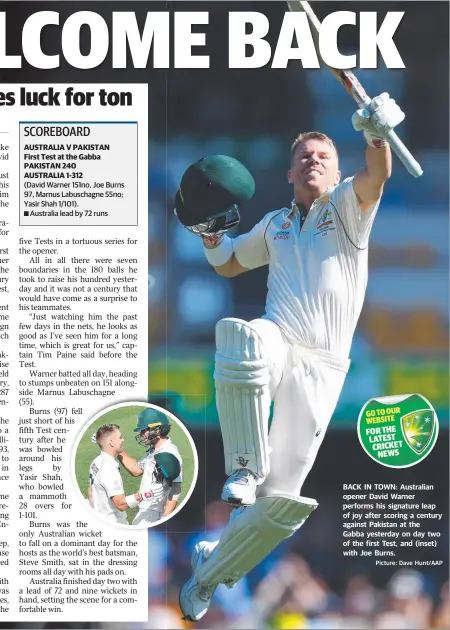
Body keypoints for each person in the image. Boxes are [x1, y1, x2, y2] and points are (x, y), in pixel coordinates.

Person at [176, 92, 406, 621]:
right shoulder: (276, 223)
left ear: (336, 171)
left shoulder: (349, 207)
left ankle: (210, 573)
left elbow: (377, 174)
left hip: (323, 364)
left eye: (323, 156)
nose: (313, 161)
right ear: (289, 172)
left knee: (282, 502)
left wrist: (377, 131)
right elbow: (232, 264)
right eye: (304, 156)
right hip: (280, 337)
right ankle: (241, 467)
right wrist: (211, 235)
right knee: (244, 336)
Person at [118, 407, 183, 526]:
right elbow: (136, 470)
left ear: (157, 430)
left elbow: (176, 488)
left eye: (144, 430)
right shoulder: (154, 450)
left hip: (154, 514)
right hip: (146, 510)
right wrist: (117, 449)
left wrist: (165, 518)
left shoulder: (169, 453)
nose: (141, 434)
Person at [88, 424, 142, 525]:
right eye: (120, 437)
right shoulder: (109, 469)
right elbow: (121, 504)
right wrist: (140, 496)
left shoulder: (96, 461)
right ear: (111, 442)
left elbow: (90, 492)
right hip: (114, 523)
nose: (123, 440)